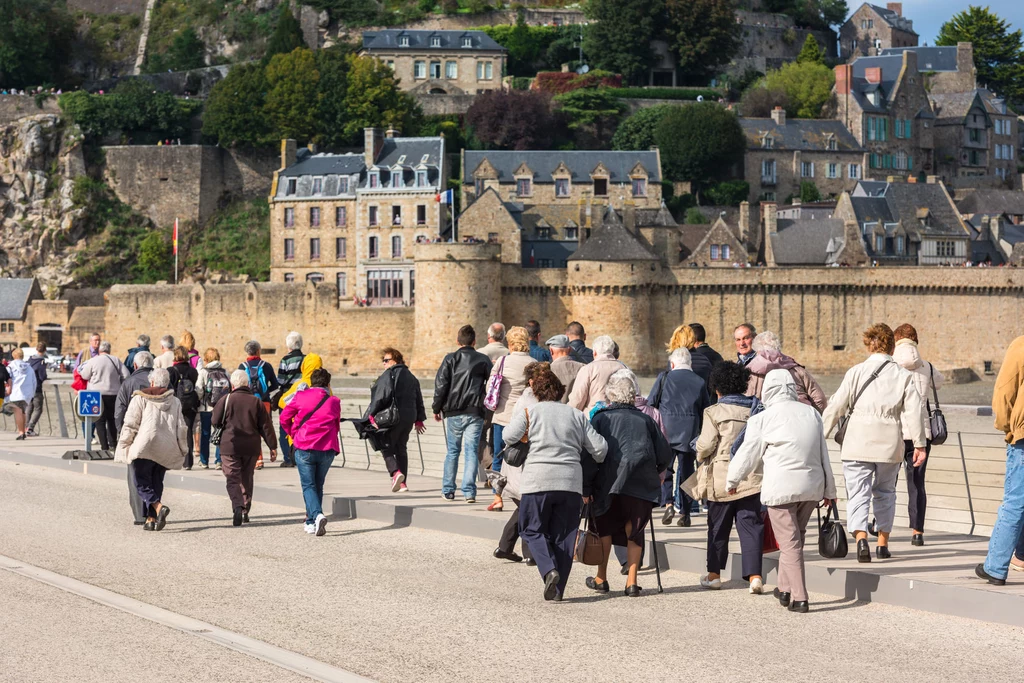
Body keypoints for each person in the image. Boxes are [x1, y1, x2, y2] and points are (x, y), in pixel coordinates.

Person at [727, 369, 837, 613]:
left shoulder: (763, 418)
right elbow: (823, 454)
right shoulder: (811, 413)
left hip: (781, 489)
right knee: (796, 538)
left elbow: (748, 454)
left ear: (768, 390)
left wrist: (732, 480)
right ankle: (784, 589)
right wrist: (830, 489)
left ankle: (800, 597)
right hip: (811, 487)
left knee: (789, 544)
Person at [822, 323, 925, 563]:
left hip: (857, 442)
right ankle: (882, 544)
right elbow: (915, 412)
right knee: (885, 493)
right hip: (890, 444)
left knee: (858, 493)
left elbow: (836, 407)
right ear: (891, 346)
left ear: (869, 344)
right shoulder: (903, 375)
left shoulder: (855, 372)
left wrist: (820, 435)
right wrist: (919, 444)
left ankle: (860, 541)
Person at [503, 370, 608, 601]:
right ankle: (558, 592)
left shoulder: (530, 412)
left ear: (537, 392)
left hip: (537, 481)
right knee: (565, 535)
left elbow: (508, 436)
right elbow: (600, 449)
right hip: (570, 483)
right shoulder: (576, 415)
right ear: (561, 391)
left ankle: (549, 570)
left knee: (530, 529)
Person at [588, 370, 672, 596]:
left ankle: (601, 577)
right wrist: (654, 471)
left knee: (604, 530)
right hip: (641, 483)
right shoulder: (646, 420)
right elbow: (665, 454)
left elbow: (590, 453)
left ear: (610, 395)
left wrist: (587, 484)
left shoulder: (600, 418)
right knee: (634, 531)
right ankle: (632, 582)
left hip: (607, 484)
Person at [694, 362, 764, 593]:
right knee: (751, 526)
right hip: (751, 476)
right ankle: (755, 576)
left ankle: (714, 575)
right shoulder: (756, 409)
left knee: (717, 527)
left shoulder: (713, 412)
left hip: (722, 478)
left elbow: (705, 446)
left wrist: (698, 450)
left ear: (717, 388)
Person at [114, 368, 188, 531]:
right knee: (156, 482)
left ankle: (158, 506)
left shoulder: (140, 398)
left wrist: (124, 444)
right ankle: (151, 519)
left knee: (140, 481)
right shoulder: (175, 401)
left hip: (145, 446)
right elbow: (181, 427)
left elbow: (130, 424)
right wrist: (183, 448)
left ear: (152, 382)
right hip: (166, 447)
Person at [977, 335, 1024, 585]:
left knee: (1015, 502)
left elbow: (1004, 392)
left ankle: (995, 567)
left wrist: (1008, 427)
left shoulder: (1021, 345)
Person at [892, 323, 942, 546]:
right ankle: (917, 532)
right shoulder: (928, 367)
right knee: (917, 483)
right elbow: (939, 384)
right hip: (921, 434)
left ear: (896, 341)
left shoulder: (890, 366)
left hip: (894, 432)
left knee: (886, 482)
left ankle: (879, 525)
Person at [649, 347, 710, 527]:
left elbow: (652, 401)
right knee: (687, 472)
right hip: (689, 431)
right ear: (690, 363)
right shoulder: (699, 381)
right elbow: (705, 408)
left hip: (666, 429)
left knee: (666, 468)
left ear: (673, 363)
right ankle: (685, 511)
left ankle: (668, 502)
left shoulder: (665, 377)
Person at [493, 362, 546, 565]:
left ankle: (507, 548)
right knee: (527, 504)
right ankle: (528, 552)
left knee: (525, 506)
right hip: (522, 460)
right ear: (532, 381)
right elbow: (512, 435)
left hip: (522, 460)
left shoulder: (530, 399)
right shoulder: (529, 402)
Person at [212, 370, 278, 526]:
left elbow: (215, 420)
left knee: (232, 478)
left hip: (230, 445)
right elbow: (266, 426)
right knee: (247, 478)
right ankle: (245, 510)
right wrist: (272, 447)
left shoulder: (226, 399)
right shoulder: (256, 402)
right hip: (251, 446)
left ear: (232, 384)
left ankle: (237, 506)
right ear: (247, 384)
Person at [433, 325, 491, 503]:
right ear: (474, 342)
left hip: (453, 411)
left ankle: (449, 490)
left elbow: (441, 385)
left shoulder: (450, 359)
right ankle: (469, 492)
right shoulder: (483, 360)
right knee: (471, 451)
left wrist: (436, 408)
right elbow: (492, 384)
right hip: (475, 411)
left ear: (458, 341)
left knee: (452, 451)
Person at [281, 368, 342, 536]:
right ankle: (311, 522)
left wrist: (292, 433)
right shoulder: (334, 401)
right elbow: (336, 425)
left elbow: (284, 417)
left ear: (311, 382)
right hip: (327, 448)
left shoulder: (301, 396)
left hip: (305, 446)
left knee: (308, 485)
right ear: (328, 384)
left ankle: (316, 515)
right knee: (318, 484)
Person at [364, 347, 426, 493]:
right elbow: (418, 398)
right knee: (401, 448)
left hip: (393, 416)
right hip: (409, 418)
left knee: (383, 443)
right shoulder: (411, 376)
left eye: (386, 360)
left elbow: (380, 396)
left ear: (395, 360)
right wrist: (419, 419)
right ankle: (403, 484)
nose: (384, 364)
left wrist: (371, 414)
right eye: (383, 361)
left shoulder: (389, 375)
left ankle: (395, 473)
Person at [488, 326, 534, 511]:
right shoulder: (534, 363)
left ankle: (497, 497)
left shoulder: (502, 361)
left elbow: (489, 388)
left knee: (499, 456)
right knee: (524, 457)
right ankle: (524, 494)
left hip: (503, 415)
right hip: (526, 417)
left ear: (511, 343)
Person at [745, 331, 827, 413]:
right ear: (778, 347)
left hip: (767, 420)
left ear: (757, 350)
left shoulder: (749, 372)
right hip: (800, 416)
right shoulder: (797, 370)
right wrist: (813, 418)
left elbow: (746, 401)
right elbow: (820, 399)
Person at [78, 341, 130, 451]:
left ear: (99, 350)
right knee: (111, 420)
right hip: (113, 394)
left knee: (99, 421)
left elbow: (85, 375)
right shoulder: (115, 360)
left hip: (96, 395)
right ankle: (114, 444)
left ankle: (104, 446)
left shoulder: (93, 361)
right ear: (109, 350)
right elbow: (126, 375)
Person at [238, 340, 280, 470]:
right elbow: (275, 385)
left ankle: (258, 459)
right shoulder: (266, 366)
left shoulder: (242, 366)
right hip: (264, 402)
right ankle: (272, 452)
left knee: (252, 430)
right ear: (258, 351)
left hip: (248, 402)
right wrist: (267, 394)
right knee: (265, 428)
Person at [567, 335, 625, 414]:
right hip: (619, 416)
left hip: (593, 417)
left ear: (594, 353)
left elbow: (577, 400)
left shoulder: (588, 369)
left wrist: (567, 414)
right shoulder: (623, 368)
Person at [275, 331, 306, 467]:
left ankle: (288, 458)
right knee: (301, 426)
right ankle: (301, 455)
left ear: (288, 345)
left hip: (288, 399)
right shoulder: (306, 359)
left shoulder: (285, 360)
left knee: (285, 427)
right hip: (303, 398)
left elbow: (280, 381)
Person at [196, 348, 229, 470]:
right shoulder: (225, 371)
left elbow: (199, 389)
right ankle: (219, 461)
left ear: (206, 359)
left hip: (206, 407)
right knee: (219, 433)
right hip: (221, 408)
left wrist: (199, 400)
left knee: (205, 433)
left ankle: (204, 461)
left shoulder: (204, 372)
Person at [168, 346, 200, 470]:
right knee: (188, 432)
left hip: (175, 404)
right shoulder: (193, 371)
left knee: (174, 432)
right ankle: (188, 462)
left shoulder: (171, 370)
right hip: (190, 406)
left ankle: (175, 460)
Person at [7, 348, 36, 440]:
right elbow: (34, 381)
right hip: (27, 393)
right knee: (23, 411)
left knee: (18, 411)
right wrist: (32, 393)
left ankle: (21, 432)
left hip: (15, 392)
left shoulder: (11, 367)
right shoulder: (29, 367)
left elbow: (7, 379)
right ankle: (23, 430)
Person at [546, 335, 584, 402]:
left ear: (551, 351)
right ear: (569, 350)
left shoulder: (548, 370)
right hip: (578, 410)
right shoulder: (583, 367)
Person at [25, 342, 47, 436]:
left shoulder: (29, 360)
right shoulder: (41, 361)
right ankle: (30, 428)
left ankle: (25, 427)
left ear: (36, 349)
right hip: (37, 388)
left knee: (29, 408)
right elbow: (42, 376)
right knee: (38, 409)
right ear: (45, 350)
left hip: (28, 387)